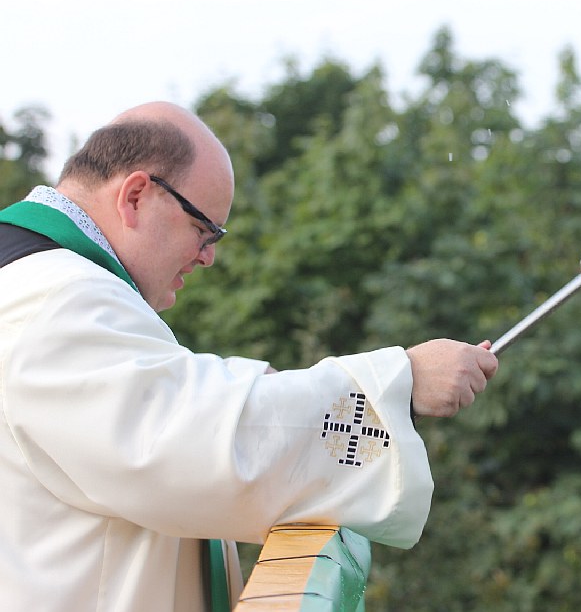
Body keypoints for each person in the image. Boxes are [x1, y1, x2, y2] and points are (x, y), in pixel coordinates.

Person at [0, 101, 499, 611]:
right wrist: (400, 383)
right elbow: (195, 443)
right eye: (203, 229)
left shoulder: (44, 284)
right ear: (135, 196)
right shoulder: (52, 299)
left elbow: (176, 405)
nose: (208, 256)